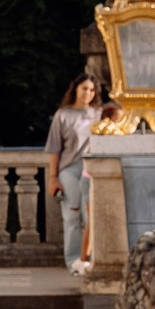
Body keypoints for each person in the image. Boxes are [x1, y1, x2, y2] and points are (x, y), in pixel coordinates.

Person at [47, 71, 101, 276]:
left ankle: (88, 259)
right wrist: (53, 177)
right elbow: (54, 149)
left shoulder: (99, 114)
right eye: (84, 88)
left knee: (90, 217)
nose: (88, 93)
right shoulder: (63, 115)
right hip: (69, 169)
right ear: (76, 90)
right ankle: (73, 261)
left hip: (91, 170)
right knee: (72, 215)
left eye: (92, 90)